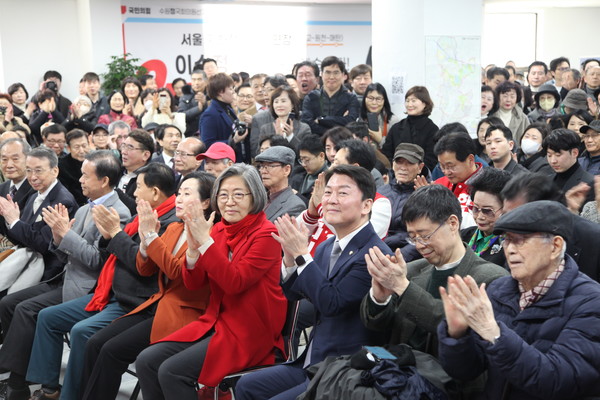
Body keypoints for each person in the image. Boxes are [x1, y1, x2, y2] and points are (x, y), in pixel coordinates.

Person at [235, 165, 393, 400]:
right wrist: (289, 259)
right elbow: (294, 293)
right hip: (313, 359)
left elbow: (332, 302)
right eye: (328, 192)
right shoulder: (328, 246)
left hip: (344, 368)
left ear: (366, 205)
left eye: (343, 193)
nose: (331, 200)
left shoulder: (374, 253)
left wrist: (301, 253)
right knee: (246, 385)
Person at [25, 163, 178, 400]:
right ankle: (49, 389)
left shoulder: (167, 221)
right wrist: (61, 236)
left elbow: (141, 266)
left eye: (138, 187)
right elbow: (109, 255)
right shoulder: (129, 213)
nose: (134, 193)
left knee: (82, 332)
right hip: (108, 291)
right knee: (47, 316)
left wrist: (113, 234)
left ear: (156, 192)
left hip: (134, 300)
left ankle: (72, 394)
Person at [135, 163, 287, 399]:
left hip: (248, 329)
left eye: (238, 195)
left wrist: (204, 242)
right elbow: (194, 283)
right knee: (147, 360)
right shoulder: (218, 229)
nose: (229, 202)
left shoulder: (266, 234)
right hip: (214, 320)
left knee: (172, 371)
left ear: (254, 196)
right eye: (223, 195)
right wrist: (194, 253)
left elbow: (234, 282)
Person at [0, 151, 130, 400]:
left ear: (103, 180)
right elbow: (64, 257)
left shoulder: (118, 213)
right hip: (65, 277)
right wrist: (59, 239)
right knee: (10, 302)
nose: (79, 180)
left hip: (89, 288)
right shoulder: (84, 209)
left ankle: (23, 382)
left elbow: (97, 262)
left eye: (85, 175)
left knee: (29, 310)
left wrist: (64, 235)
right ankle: (22, 374)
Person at [438, 200, 600, 400]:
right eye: (507, 240)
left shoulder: (591, 302)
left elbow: (558, 380)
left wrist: (494, 334)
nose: (510, 249)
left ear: (555, 246)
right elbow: (466, 371)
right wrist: (457, 335)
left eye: (520, 240)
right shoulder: (499, 289)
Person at [80, 172, 215, 400]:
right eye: (179, 193)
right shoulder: (174, 228)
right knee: (95, 343)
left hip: (184, 311)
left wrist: (151, 237)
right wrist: (144, 243)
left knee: (113, 351)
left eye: (187, 194)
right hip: (157, 303)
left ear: (205, 202)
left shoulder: (210, 234)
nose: (179, 199)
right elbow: (146, 269)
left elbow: (177, 272)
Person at [362, 184, 507, 354]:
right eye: (413, 237)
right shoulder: (411, 270)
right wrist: (380, 299)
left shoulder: (491, 278)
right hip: (400, 372)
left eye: (425, 236)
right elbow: (378, 328)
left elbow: (456, 327)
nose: (419, 245)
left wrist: (403, 287)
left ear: (453, 223)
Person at [0, 147, 78, 284]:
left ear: (55, 171)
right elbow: (22, 237)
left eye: (38, 170)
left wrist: (15, 221)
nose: (32, 177)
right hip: (25, 262)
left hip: (48, 271)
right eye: (29, 170)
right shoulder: (34, 195)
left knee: (8, 302)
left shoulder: (62, 201)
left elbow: (44, 245)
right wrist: (11, 219)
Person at [377, 143, 424, 261]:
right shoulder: (379, 192)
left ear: (420, 167)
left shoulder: (428, 194)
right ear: (392, 164)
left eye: (409, 163)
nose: (403, 167)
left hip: (408, 257)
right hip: (376, 250)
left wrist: (397, 258)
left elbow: (425, 236)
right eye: (399, 162)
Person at [460, 167, 511, 267]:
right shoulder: (462, 236)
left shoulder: (510, 245)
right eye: (475, 208)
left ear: (506, 208)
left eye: (487, 211)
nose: (480, 216)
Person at [381, 86, 439, 172]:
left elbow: (432, 159)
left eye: (413, 100)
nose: (409, 104)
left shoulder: (432, 129)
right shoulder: (396, 128)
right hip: (396, 174)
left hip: (421, 176)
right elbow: (387, 154)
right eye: (407, 101)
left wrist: (413, 171)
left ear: (425, 103)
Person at [301, 56, 360, 135]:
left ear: (343, 75)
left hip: (342, 142)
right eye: (328, 72)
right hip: (316, 142)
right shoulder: (311, 97)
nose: (331, 77)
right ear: (321, 74)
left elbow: (350, 122)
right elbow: (307, 123)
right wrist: (340, 121)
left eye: (336, 73)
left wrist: (321, 120)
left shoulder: (351, 98)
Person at [432, 131, 483, 216]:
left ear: (470, 160)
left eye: (450, 166)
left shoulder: (487, 187)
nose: (446, 172)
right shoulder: (438, 185)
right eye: (442, 166)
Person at [544, 128, 594, 207]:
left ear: (575, 153)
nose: (553, 160)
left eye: (558, 155)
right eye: (549, 155)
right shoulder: (546, 181)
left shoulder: (589, 184)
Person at [255, 146, 306, 222]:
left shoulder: (295, 205)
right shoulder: (258, 200)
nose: (263, 171)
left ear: (286, 170)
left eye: (270, 166)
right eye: (262, 166)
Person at [0, 139, 35, 240]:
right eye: (4, 159)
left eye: (15, 159)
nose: (9, 165)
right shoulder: (2, 188)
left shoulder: (37, 189)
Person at [200, 73, 241, 149]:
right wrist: (233, 140)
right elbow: (207, 144)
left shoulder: (228, 108)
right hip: (222, 159)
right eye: (231, 89)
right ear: (220, 92)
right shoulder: (210, 114)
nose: (233, 92)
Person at [290, 134, 328, 202]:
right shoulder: (297, 173)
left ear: (321, 156)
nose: (303, 164)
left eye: (307, 160)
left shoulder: (328, 178)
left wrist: (297, 195)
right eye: (301, 160)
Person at [360, 83, 400, 147]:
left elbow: (396, 148)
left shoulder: (392, 120)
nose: (374, 102)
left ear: (384, 100)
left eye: (378, 99)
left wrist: (380, 140)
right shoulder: (360, 119)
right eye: (370, 98)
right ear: (365, 99)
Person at [58, 129, 91, 205]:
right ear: (68, 148)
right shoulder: (62, 167)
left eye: (84, 146)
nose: (81, 150)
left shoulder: (95, 161)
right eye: (77, 147)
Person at [177, 68, 208, 137]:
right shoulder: (185, 97)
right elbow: (181, 116)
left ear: (206, 82)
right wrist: (198, 109)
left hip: (208, 131)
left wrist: (205, 104)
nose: (196, 83)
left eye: (199, 79)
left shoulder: (212, 95)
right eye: (194, 80)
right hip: (191, 134)